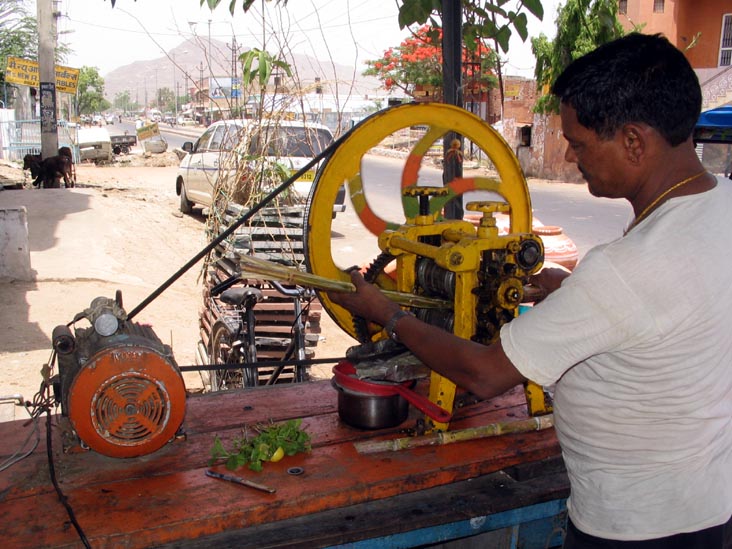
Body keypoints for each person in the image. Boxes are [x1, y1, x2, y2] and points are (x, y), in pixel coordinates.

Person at [329, 33, 732, 548]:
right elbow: (672, 310)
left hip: (633, 527)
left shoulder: (623, 271)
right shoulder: (720, 205)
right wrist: (575, 290)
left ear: (634, 141)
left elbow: (484, 374)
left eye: (579, 143)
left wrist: (386, 312)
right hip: (708, 506)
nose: (569, 155)